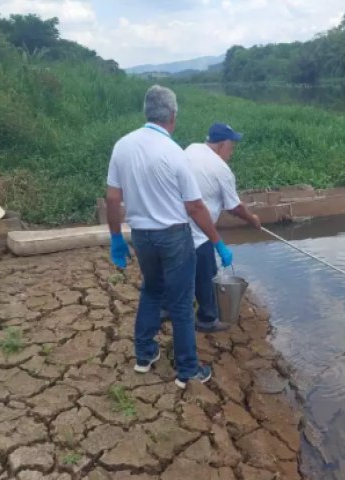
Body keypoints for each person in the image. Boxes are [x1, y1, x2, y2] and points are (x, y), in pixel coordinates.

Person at [105, 85, 234, 390]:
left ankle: (144, 355)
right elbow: (195, 206)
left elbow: (112, 200)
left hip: (142, 236)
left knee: (151, 290)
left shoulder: (122, 146)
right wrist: (217, 241)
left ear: (147, 112)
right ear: (172, 116)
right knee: (180, 304)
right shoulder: (174, 153)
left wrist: (116, 239)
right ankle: (188, 370)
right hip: (174, 237)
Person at [185, 123, 261, 332]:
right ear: (220, 145)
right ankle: (207, 319)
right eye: (231, 146)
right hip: (199, 231)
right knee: (207, 272)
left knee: (186, 272)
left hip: (175, 227)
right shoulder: (221, 169)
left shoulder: (191, 149)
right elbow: (234, 207)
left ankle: (181, 305)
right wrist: (252, 219)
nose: (232, 152)